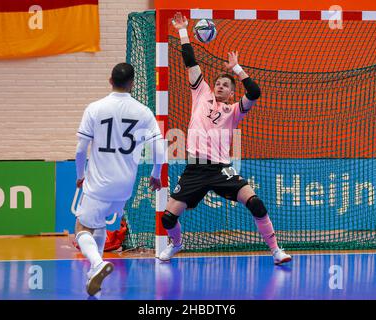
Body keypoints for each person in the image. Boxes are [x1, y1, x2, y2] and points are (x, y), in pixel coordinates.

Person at [159, 13, 292, 265]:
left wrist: (237, 70)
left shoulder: (234, 111)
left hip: (221, 169)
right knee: (167, 218)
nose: (219, 86)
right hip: (196, 168)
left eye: (225, 85)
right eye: (218, 83)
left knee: (255, 203)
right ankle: (176, 243)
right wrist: (182, 30)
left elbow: (255, 91)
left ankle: (276, 251)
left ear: (231, 93)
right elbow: (189, 61)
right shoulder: (201, 93)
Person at [75, 62, 165, 296]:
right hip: (125, 186)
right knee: (101, 224)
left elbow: (80, 149)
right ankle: (94, 277)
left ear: (110, 80)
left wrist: (80, 176)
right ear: (132, 84)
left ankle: (96, 263)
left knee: (82, 227)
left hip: (99, 183)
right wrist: (155, 175)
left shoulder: (95, 108)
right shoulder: (143, 111)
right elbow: (160, 148)